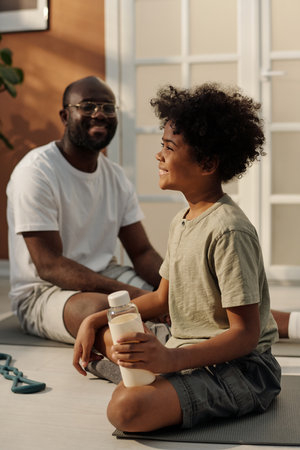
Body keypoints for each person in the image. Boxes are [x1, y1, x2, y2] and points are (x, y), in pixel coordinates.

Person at [73, 83, 281, 432]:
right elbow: (161, 298)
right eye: (161, 146)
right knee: (108, 340)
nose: (159, 156)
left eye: (169, 148)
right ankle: (151, 374)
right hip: (188, 353)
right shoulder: (182, 221)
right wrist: (98, 320)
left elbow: (245, 335)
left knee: (126, 410)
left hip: (244, 368)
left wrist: (170, 358)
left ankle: (149, 378)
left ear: (208, 163)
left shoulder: (228, 230)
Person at [6, 76, 162, 347]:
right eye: (87, 106)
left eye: (108, 107)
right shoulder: (36, 172)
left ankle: (172, 344)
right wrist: (136, 295)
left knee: (175, 300)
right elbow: (49, 265)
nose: (99, 114)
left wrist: (172, 288)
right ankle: (138, 355)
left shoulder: (115, 176)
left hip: (105, 275)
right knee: (102, 310)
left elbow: (142, 252)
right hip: (43, 292)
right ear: (65, 116)